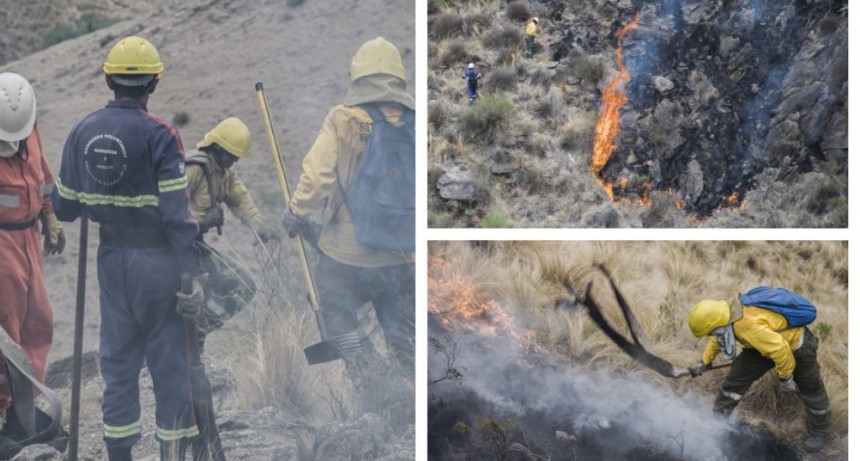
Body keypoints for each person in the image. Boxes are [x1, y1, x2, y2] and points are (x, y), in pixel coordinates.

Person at [52, 36, 206, 461]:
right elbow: (177, 216)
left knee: (118, 364)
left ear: (108, 80)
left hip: (112, 262)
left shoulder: (81, 130)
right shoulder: (162, 134)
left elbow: (64, 207)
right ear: (154, 83)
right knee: (169, 365)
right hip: (158, 265)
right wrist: (192, 272)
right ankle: (172, 453)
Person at [282, 36, 415, 392]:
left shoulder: (343, 118)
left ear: (358, 75)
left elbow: (317, 178)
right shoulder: (416, 121)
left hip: (348, 255)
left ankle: (371, 376)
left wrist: (296, 211)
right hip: (402, 254)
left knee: (329, 305)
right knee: (406, 337)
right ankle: (415, 399)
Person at [0, 72, 65, 433]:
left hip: (29, 238)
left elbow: (42, 177)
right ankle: (5, 409)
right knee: (6, 330)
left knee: (39, 321)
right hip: (1, 243)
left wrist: (50, 216)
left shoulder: (28, 127)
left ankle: (25, 405)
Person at [687, 298, 831, 453]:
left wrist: (785, 378)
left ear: (717, 325)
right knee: (736, 378)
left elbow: (781, 350)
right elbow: (718, 338)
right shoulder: (727, 316)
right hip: (764, 342)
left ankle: (819, 432)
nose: (711, 335)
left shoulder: (746, 326)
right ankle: (718, 420)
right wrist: (704, 362)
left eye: (710, 332)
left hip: (797, 345)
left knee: (810, 387)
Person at [185, 116, 281, 336]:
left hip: (195, 246)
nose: (235, 160)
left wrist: (258, 224)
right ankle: (185, 336)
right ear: (217, 147)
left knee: (242, 286)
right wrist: (200, 221)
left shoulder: (224, 173)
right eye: (231, 155)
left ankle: (196, 332)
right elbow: (165, 207)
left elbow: (239, 199)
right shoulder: (193, 169)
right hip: (174, 248)